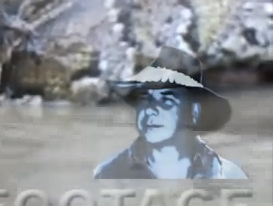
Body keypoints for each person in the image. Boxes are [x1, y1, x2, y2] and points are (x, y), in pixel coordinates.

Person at [93, 47, 248, 179]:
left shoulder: (225, 176)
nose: (151, 110)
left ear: (193, 112)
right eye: (145, 99)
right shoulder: (108, 174)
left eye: (167, 101)